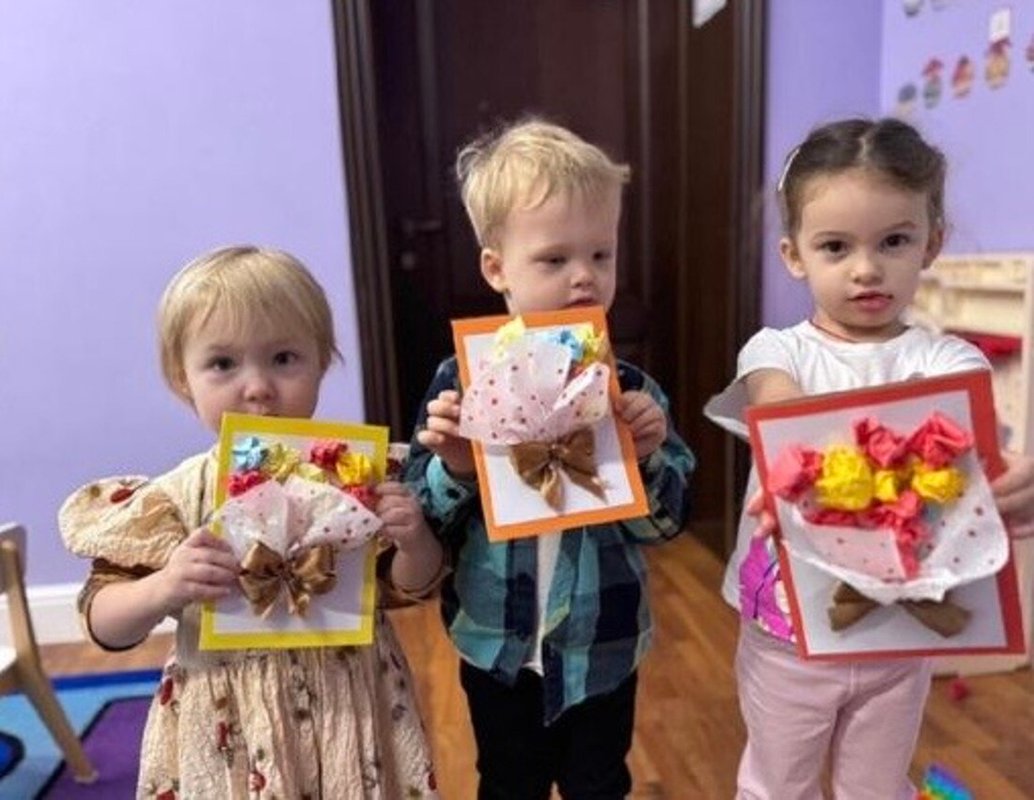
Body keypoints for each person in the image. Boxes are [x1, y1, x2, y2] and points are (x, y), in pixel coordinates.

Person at [705, 117, 1034, 800]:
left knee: (878, 787)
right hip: (787, 631)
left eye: (894, 241)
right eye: (835, 246)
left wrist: (1006, 478)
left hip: (899, 628)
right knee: (776, 785)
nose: (866, 268)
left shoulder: (949, 360)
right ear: (794, 255)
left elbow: (972, 444)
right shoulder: (775, 350)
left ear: (931, 242)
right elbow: (779, 406)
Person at [59, 246, 443, 799]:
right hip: (226, 718)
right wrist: (163, 587)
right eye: (223, 364)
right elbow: (101, 619)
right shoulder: (174, 499)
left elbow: (409, 587)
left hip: (352, 709)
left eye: (284, 358)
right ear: (183, 378)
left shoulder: (356, 475)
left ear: (322, 362)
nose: (258, 386)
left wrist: (414, 541)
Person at [403, 118, 696, 799]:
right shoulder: (459, 383)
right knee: (508, 783)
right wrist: (455, 469)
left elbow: (668, 524)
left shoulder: (632, 392)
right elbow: (422, 524)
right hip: (495, 645)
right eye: (554, 259)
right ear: (496, 268)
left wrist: (647, 457)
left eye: (601, 254)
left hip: (603, 645)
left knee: (600, 784)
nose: (584, 277)